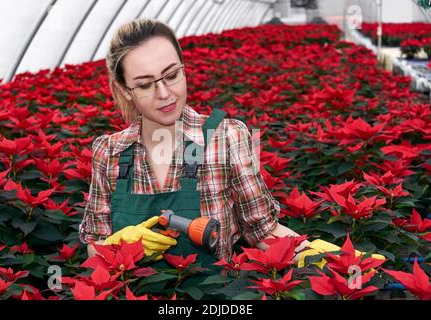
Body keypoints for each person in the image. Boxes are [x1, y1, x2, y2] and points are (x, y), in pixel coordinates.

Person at [78, 19, 360, 273]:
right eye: (145, 84)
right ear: (126, 90)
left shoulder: (226, 138)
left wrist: (330, 259)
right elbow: (95, 246)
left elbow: (263, 231)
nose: (164, 94)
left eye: (172, 75)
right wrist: (116, 246)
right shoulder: (110, 152)